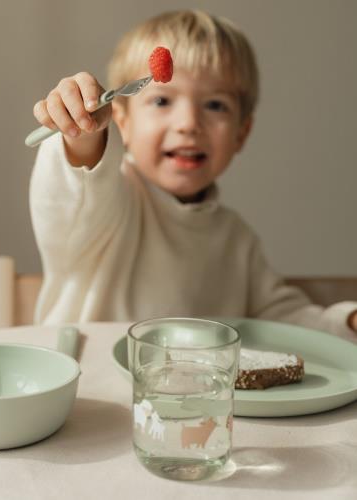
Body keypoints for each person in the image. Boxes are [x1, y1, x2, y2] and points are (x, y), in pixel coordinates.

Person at [29, 9, 357, 336]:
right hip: (87, 384)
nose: (188, 124)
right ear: (122, 122)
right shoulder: (110, 206)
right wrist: (85, 133)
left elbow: (279, 318)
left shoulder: (235, 238)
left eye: (215, 105)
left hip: (193, 388)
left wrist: (346, 323)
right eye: (161, 101)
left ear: (241, 133)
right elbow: (79, 187)